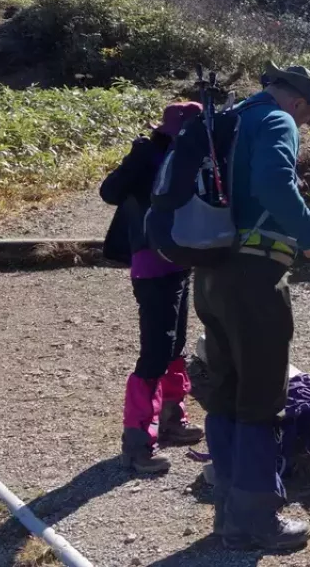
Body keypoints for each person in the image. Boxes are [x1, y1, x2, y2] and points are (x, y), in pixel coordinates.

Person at [194, 62, 310, 553]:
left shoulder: (228, 120)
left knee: (227, 392)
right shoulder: (275, 120)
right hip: (254, 276)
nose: (302, 127)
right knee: (261, 397)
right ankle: (255, 522)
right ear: (299, 103)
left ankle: (228, 513)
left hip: (210, 272)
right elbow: (278, 184)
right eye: (306, 119)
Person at [101, 101, 206, 475]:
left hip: (179, 261)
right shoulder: (149, 154)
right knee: (155, 353)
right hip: (151, 264)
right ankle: (136, 444)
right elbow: (109, 192)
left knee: (174, 345)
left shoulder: (192, 157)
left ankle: (172, 420)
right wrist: (138, 160)